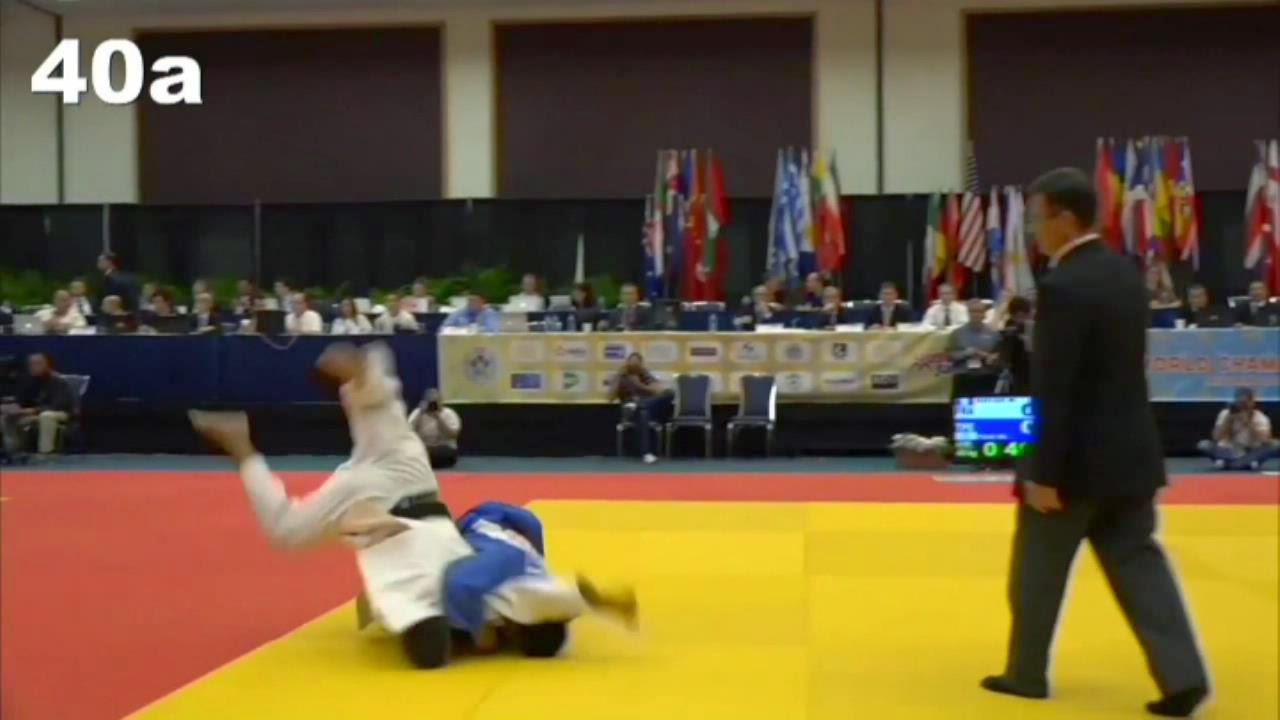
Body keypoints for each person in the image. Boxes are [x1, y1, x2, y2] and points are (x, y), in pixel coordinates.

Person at [981, 167, 1208, 718]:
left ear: (1064, 218)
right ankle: (1183, 675)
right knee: (1140, 566)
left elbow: (1056, 386)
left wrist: (1041, 472)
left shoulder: (1062, 287)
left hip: (1073, 464)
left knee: (1037, 572)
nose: (1033, 231)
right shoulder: (1125, 274)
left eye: (1037, 219)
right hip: (1131, 455)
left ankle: (1025, 673)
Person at [189, 343, 467, 669]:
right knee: (289, 529)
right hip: (394, 491)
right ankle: (240, 444)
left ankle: (241, 447)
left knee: (287, 530)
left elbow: (373, 386)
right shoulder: (386, 421)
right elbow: (374, 388)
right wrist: (354, 369)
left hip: (389, 497)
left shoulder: (382, 418)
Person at [442, 501, 637, 657]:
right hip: (496, 537)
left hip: (508, 544)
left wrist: (479, 634)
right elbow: (461, 586)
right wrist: (480, 635)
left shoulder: (521, 583)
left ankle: (588, 603)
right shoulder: (511, 578)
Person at [1, 353, 75, 457]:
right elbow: (21, 402)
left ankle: (46, 453)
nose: (34, 367)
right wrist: (12, 409)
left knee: (46, 416)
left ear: (48, 365)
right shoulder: (28, 382)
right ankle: (14, 451)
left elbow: (58, 405)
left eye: (38, 363)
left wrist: (32, 411)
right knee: (6, 418)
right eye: (31, 364)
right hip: (33, 414)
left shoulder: (58, 381)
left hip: (60, 413)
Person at [612, 352, 673, 464]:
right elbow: (610, 398)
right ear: (627, 363)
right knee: (643, 413)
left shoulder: (644, 374)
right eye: (631, 362)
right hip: (629, 409)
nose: (634, 365)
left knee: (669, 393)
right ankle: (646, 453)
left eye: (636, 363)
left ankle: (640, 405)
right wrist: (617, 380)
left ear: (640, 364)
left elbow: (658, 390)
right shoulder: (622, 376)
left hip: (647, 407)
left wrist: (640, 385)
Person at [1196, 388, 1278, 471]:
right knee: (1203, 445)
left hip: (1251, 451)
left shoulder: (1260, 418)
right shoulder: (1226, 414)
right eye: (1240, 403)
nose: (1242, 406)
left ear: (1252, 403)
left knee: (1275, 444)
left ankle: (1230, 463)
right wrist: (1228, 420)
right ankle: (1245, 464)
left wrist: (1248, 423)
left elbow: (1265, 440)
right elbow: (1216, 438)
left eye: (1245, 404)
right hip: (1230, 451)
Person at [409, 388, 461, 469]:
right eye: (430, 402)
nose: (432, 406)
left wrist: (438, 418)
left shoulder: (449, 413)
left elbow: (453, 435)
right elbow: (408, 432)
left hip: (443, 447)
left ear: (441, 402)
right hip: (423, 447)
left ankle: (422, 461)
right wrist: (420, 413)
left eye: (435, 402)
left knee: (439, 453)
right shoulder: (417, 413)